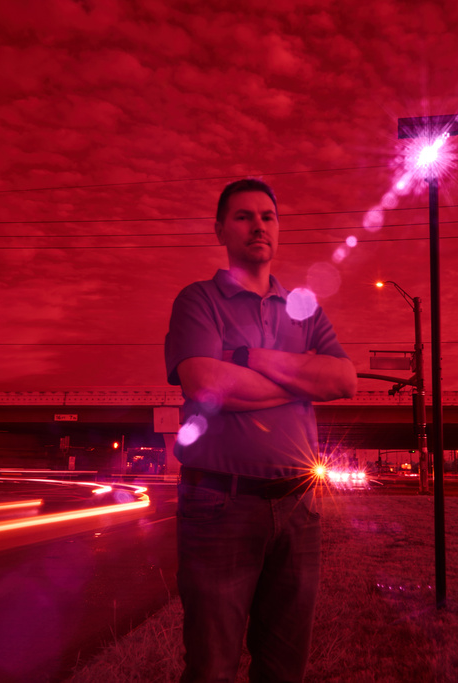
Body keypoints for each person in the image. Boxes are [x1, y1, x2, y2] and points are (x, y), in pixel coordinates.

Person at [165, 178, 357, 682]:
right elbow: (205, 382)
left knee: (285, 669)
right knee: (211, 668)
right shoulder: (198, 300)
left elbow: (344, 379)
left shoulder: (304, 308)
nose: (258, 226)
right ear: (220, 231)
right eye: (244, 216)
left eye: (268, 216)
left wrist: (247, 359)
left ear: (279, 228)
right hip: (219, 504)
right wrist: (301, 380)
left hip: (298, 507)